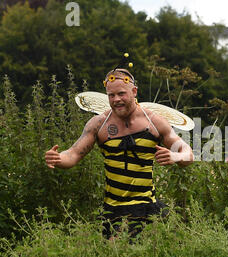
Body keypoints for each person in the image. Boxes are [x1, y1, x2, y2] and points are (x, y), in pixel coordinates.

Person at [45, 68, 194, 239]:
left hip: (145, 206)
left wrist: (176, 156)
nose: (116, 100)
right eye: (111, 95)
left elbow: (188, 154)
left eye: (121, 94)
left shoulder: (154, 122)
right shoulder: (99, 124)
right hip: (112, 209)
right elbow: (73, 154)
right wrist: (57, 159)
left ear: (134, 91)